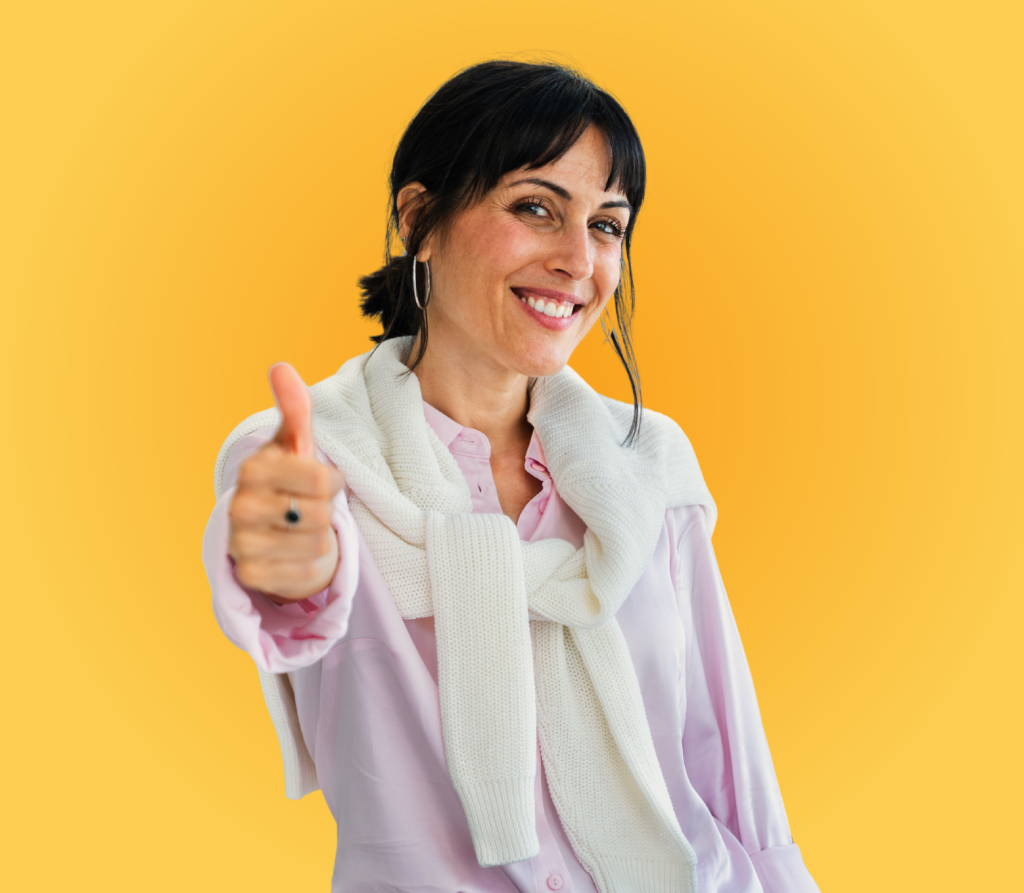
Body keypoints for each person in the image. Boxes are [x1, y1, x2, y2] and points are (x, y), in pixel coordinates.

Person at [203, 60, 820, 893]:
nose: (578, 260)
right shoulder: (306, 457)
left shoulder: (648, 459)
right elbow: (291, 591)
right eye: (536, 208)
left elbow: (731, 762)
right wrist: (288, 569)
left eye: (606, 225)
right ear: (420, 219)